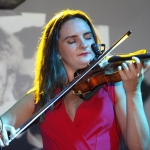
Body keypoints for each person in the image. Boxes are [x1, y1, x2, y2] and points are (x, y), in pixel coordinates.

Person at [0, 9, 149, 150]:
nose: (84, 45)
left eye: (88, 37)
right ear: (57, 51)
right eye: (72, 41)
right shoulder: (41, 96)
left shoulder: (111, 86)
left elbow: (140, 147)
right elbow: (3, 122)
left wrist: (133, 92)